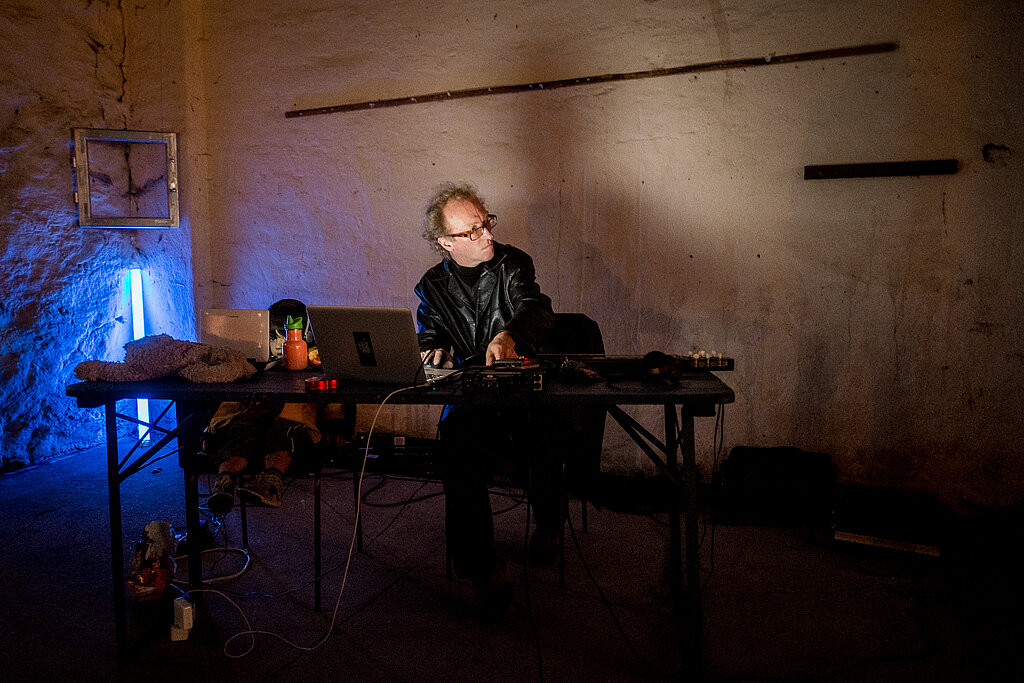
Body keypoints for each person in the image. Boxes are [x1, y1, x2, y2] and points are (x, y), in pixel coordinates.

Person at [415, 182, 562, 617]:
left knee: (543, 432)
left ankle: (550, 524)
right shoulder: (432, 286)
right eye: (473, 231)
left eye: (487, 223)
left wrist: (509, 334)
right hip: (473, 395)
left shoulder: (513, 263)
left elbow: (536, 307)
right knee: (455, 445)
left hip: (522, 388)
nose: (488, 235)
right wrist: (433, 351)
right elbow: (430, 334)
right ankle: (482, 568)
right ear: (446, 242)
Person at [205, 300, 350, 513]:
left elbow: (332, 398)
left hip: (294, 424)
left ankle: (270, 484)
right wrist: (213, 428)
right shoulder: (253, 367)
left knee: (282, 431)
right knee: (242, 429)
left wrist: (336, 426)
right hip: (254, 417)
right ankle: (224, 483)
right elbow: (232, 402)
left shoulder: (317, 369)